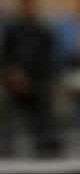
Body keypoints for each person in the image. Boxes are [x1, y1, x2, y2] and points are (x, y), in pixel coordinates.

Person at [2, 0, 59, 153]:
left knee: (42, 111)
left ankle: (44, 142)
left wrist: (34, 77)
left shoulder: (44, 30)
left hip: (38, 78)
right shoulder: (13, 29)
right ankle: (7, 144)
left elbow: (48, 56)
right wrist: (14, 73)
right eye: (26, 7)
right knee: (10, 112)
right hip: (16, 78)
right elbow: (7, 54)